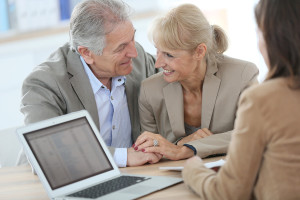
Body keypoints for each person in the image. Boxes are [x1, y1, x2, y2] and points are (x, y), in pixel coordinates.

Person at [18, 0, 162, 167]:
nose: (133, 52)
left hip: (135, 175)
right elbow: (46, 153)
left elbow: (177, 82)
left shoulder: (137, 60)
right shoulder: (45, 83)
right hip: (55, 183)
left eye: (133, 38)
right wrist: (123, 157)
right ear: (86, 53)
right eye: (121, 47)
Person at [182, 0, 300, 199]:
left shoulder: (263, 99)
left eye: (259, 31)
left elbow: (228, 192)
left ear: (275, 38)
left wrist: (193, 169)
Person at [133, 4, 258, 160]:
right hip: (170, 175)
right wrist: (180, 145)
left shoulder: (242, 75)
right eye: (157, 51)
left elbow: (254, 132)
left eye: (169, 55)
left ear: (199, 51)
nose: (158, 64)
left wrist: (187, 149)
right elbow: (151, 149)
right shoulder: (149, 90)